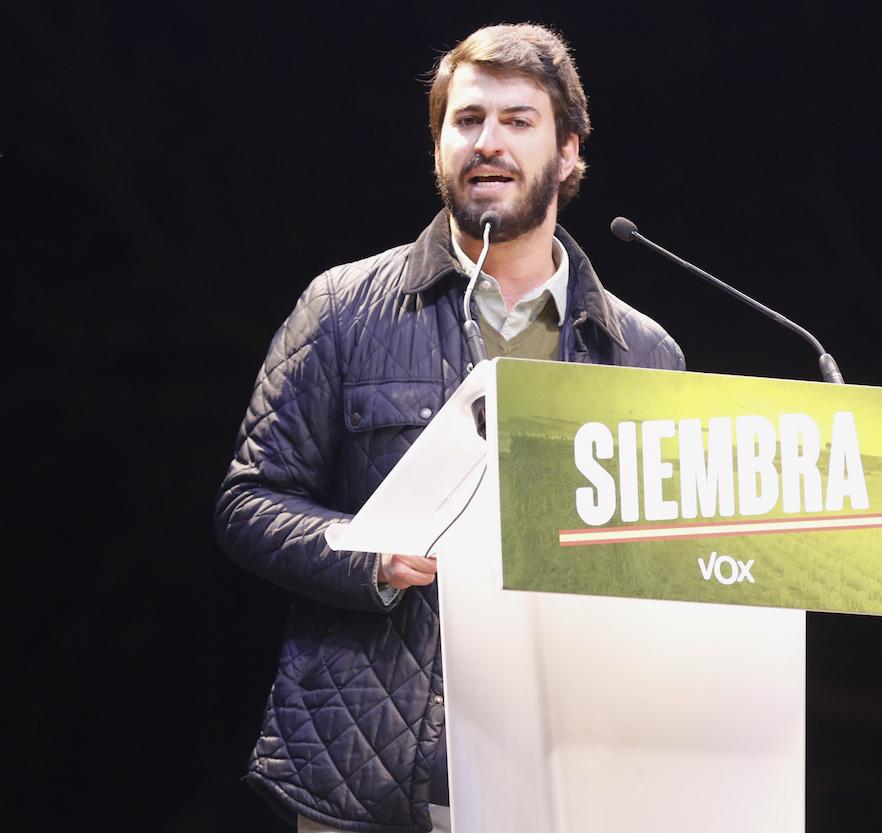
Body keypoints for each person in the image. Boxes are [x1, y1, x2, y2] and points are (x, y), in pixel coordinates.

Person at [213, 22, 684, 833]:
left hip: (566, 774)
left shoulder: (643, 353)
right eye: (466, 121)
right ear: (438, 147)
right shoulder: (343, 308)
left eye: (517, 120)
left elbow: (669, 567)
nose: (488, 142)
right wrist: (369, 554)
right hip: (367, 778)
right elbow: (249, 502)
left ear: (569, 152)